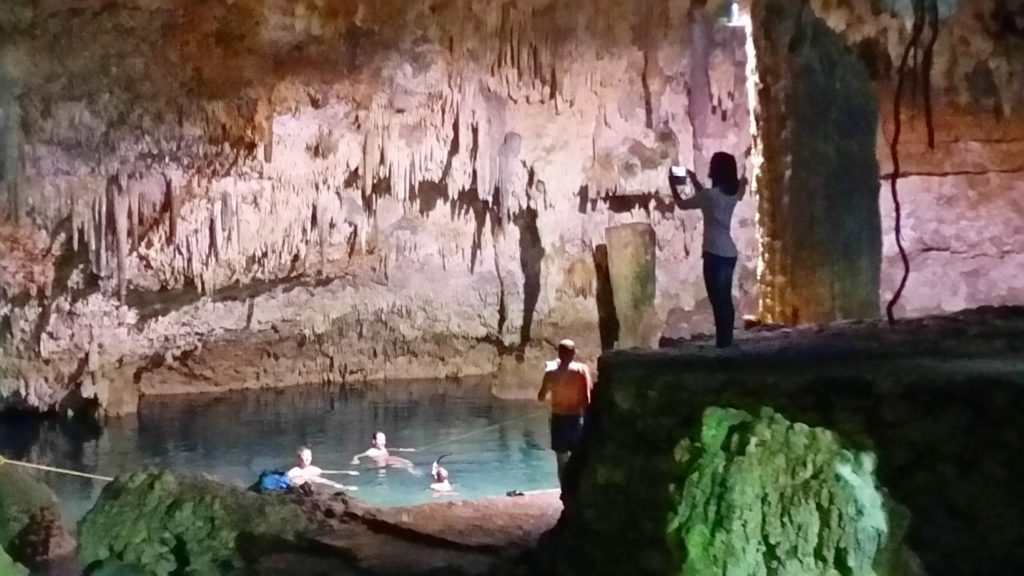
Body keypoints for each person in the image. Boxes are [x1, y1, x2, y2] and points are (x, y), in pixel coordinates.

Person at [669, 152, 745, 348]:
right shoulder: (733, 194)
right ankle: (726, 341)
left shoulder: (709, 197)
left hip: (714, 254)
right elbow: (708, 200)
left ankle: (723, 344)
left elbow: (682, 204)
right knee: (725, 300)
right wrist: (695, 181)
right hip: (729, 253)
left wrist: (672, 185)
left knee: (717, 301)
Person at [537, 339, 593, 489]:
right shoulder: (582, 370)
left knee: (561, 460)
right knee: (578, 458)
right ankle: (579, 490)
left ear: (559, 354)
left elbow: (541, 397)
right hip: (575, 418)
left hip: (558, 418)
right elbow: (587, 398)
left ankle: (565, 492)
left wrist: (549, 373)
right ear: (573, 353)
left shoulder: (551, 374)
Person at [287, 446, 359, 491]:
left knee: (324, 480)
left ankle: (344, 487)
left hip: (313, 479)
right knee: (311, 481)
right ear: (299, 458)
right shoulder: (295, 471)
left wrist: (346, 472)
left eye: (309, 456)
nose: (307, 458)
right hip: (301, 484)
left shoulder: (313, 469)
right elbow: (287, 479)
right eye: (305, 456)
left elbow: (325, 472)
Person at [350, 431, 415, 469]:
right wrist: (355, 460)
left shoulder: (383, 448)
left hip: (389, 459)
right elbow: (357, 455)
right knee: (405, 465)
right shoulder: (371, 451)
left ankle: (412, 471)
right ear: (374, 441)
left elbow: (391, 449)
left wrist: (404, 449)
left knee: (408, 462)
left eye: (384, 440)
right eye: (380, 440)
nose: (383, 442)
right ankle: (411, 471)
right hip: (382, 462)